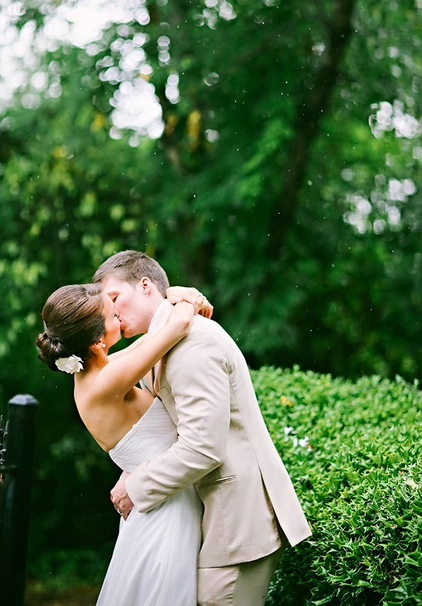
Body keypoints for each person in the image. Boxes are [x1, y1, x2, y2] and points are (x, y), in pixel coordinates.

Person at [93, 251, 312, 606]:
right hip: (214, 521)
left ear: (145, 285)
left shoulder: (192, 343)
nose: (112, 311)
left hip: (236, 525)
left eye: (115, 297)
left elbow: (202, 447)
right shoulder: (161, 342)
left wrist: (136, 485)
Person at [36, 282, 213, 606]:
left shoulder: (99, 372)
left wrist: (170, 295)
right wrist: (188, 296)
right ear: (98, 341)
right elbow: (179, 325)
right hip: (167, 508)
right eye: (113, 314)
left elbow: (152, 338)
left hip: (154, 498)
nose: (120, 314)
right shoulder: (106, 381)